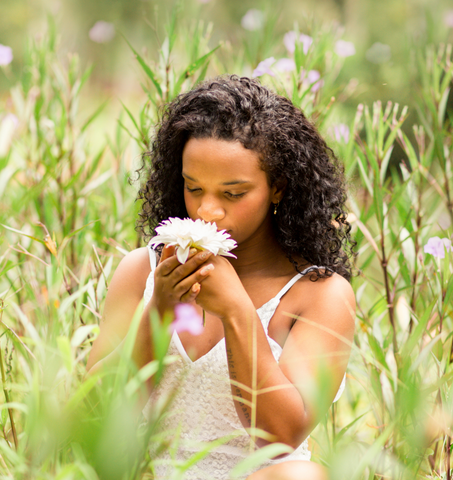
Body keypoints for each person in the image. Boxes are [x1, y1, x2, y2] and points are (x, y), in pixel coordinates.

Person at [86, 75, 356, 480]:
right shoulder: (142, 270)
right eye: (194, 188)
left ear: (278, 188)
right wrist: (159, 312)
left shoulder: (318, 294)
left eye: (233, 194)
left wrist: (236, 311)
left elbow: (281, 439)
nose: (207, 211)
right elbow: (93, 416)